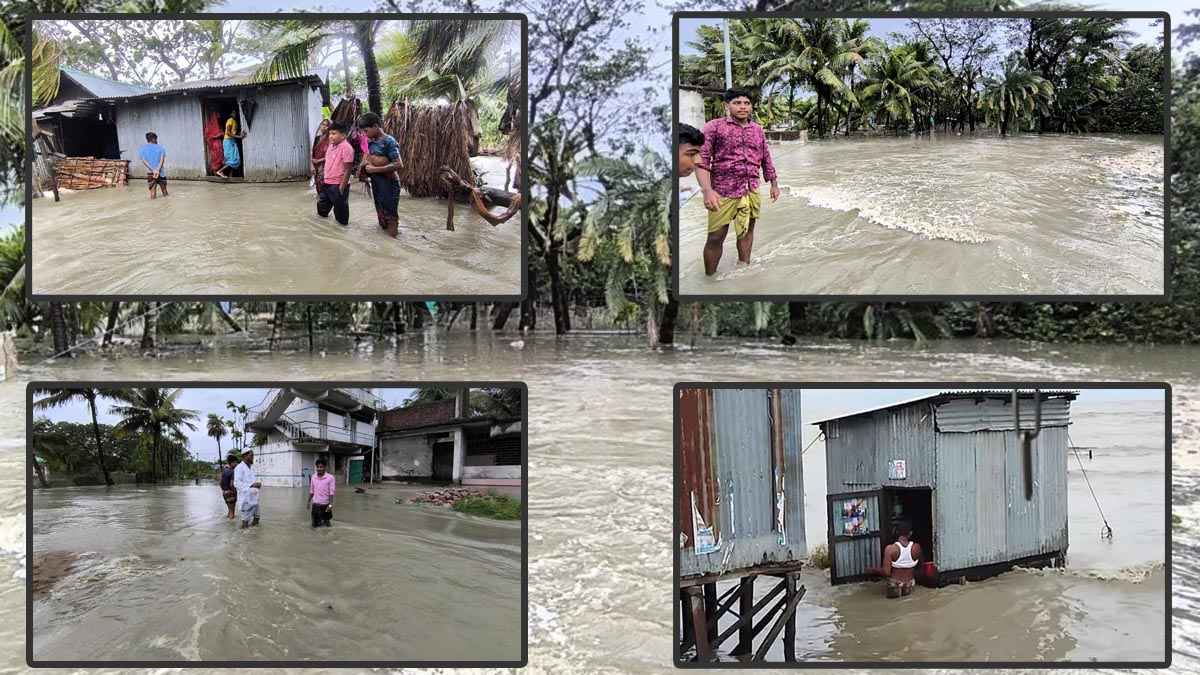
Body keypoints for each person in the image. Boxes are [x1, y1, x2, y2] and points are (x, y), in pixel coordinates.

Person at [696, 89, 780, 276]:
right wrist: (707, 190)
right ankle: (709, 278)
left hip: (751, 189)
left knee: (747, 232)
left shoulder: (757, 129)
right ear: (727, 105)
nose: (742, 106)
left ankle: (744, 270)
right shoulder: (714, 127)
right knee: (715, 237)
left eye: (746, 103)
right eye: (737, 102)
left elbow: (765, 157)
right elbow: (701, 160)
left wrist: (774, 183)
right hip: (722, 192)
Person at [356, 112, 404, 238]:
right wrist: (363, 169)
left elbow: (398, 164)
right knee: (381, 214)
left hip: (390, 185)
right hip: (377, 184)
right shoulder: (371, 142)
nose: (365, 134)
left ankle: (393, 244)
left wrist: (374, 170)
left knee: (391, 216)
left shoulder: (389, 141)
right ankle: (385, 245)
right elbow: (367, 158)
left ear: (376, 126)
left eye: (366, 131)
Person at [867, 522, 922, 598]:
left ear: (896, 532)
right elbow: (920, 568)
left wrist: (873, 570)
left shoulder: (890, 549)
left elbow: (886, 572)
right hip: (910, 583)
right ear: (910, 533)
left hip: (895, 584)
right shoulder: (917, 547)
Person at [317, 121, 355, 226]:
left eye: (334, 134)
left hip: (338, 185)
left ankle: (342, 234)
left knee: (341, 217)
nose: (330, 136)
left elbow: (348, 169)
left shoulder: (347, 148)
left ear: (343, 135)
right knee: (322, 210)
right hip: (327, 183)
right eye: (330, 134)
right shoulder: (331, 145)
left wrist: (341, 188)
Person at [233, 449, 262, 529]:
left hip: (254, 498)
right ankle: (243, 538)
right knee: (245, 522)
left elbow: (252, 481)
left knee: (257, 518)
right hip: (245, 500)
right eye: (251, 456)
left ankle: (252, 537)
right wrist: (252, 485)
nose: (253, 457)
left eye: (253, 456)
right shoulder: (239, 468)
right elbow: (236, 483)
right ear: (245, 456)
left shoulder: (251, 468)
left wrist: (257, 485)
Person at [213, 114, 247, 178]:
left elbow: (233, 133)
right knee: (232, 160)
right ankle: (220, 171)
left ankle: (230, 176)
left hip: (231, 141)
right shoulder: (230, 121)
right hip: (228, 142)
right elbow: (228, 133)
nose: (235, 114)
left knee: (234, 159)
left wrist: (240, 134)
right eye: (233, 112)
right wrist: (240, 137)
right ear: (231, 114)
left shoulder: (234, 121)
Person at [137, 132, 168, 199]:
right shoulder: (161, 148)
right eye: (156, 139)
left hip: (151, 173)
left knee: (152, 192)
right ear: (153, 139)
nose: (157, 140)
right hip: (160, 173)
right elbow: (162, 160)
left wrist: (153, 170)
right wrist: (157, 170)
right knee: (164, 191)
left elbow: (144, 161)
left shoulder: (143, 149)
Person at [308, 458, 335, 528]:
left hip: (325, 505)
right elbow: (311, 491)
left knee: (327, 525)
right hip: (315, 505)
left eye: (321, 467)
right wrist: (308, 502)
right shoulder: (313, 477)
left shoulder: (330, 478)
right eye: (318, 467)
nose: (319, 469)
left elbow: (331, 492)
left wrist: (330, 505)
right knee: (314, 525)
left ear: (325, 467)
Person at [311, 118, 331, 196]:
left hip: (325, 166)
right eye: (323, 124)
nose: (324, 127)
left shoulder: (330, 140)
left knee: (324, 184)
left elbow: (330, 155)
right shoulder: (317, 138)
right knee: (318, 184)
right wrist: (312, 165)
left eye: (326, 125)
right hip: (316, 165)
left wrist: (319, 160)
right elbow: (312, 152)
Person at [219, 453, 239, 520]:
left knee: (229, 511)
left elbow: (220, 483)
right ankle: (232, 528)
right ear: (232, 462)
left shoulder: (224, 471)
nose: (236, 464)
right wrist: (234, 492)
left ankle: (228, 525)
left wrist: (224, 490)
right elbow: (232, 484)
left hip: (224, 492)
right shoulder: (232, 471)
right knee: (232, 513)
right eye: (236, 462)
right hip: (231, 492)